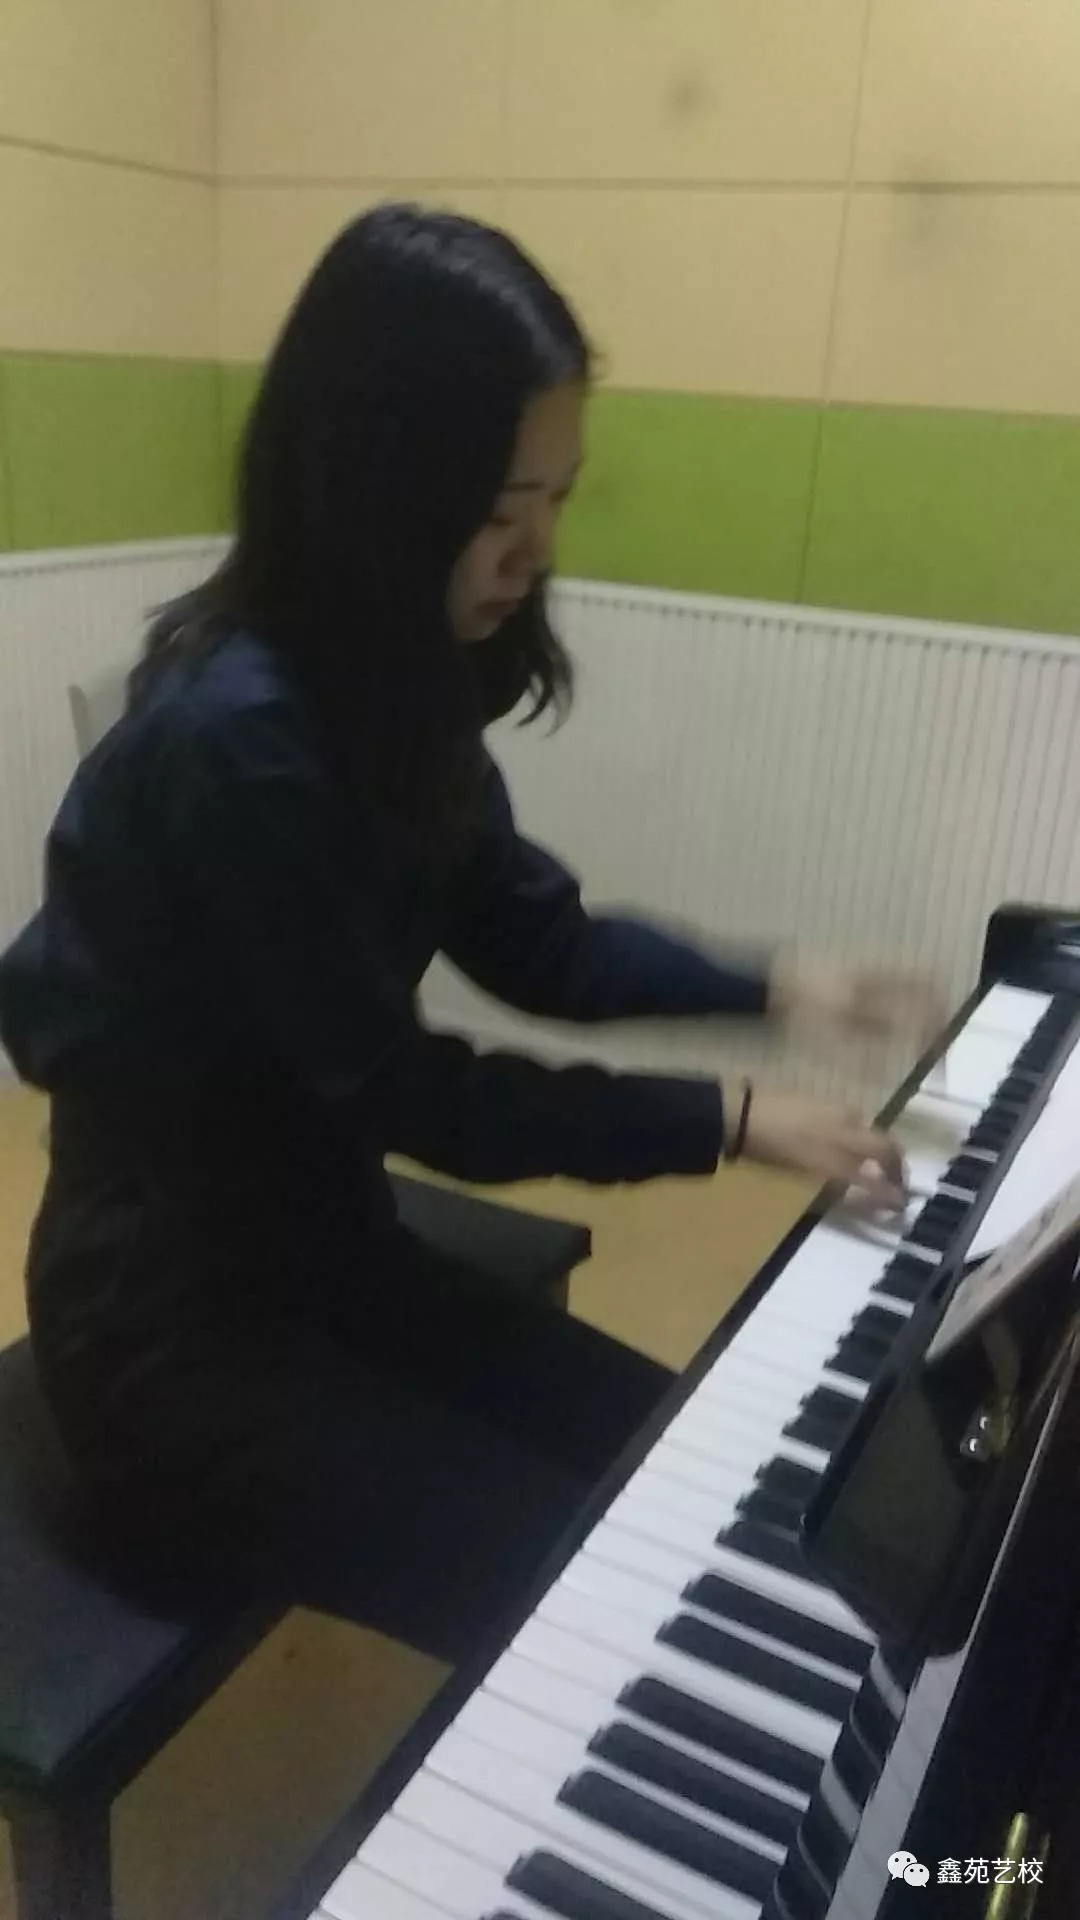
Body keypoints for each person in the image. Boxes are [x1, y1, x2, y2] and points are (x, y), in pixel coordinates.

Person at [0, 206, 931, 1658]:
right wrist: (730, 1118)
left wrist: (776, 983)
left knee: (701, 1479)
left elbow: (541, 944)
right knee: (614, 1611)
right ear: (373, 486)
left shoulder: (397, 679)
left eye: (557, 498)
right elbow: (415, 1094)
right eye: (501, 507)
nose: (537, 550)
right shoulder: (239, 743)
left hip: (322, 1254)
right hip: (169, 1341)